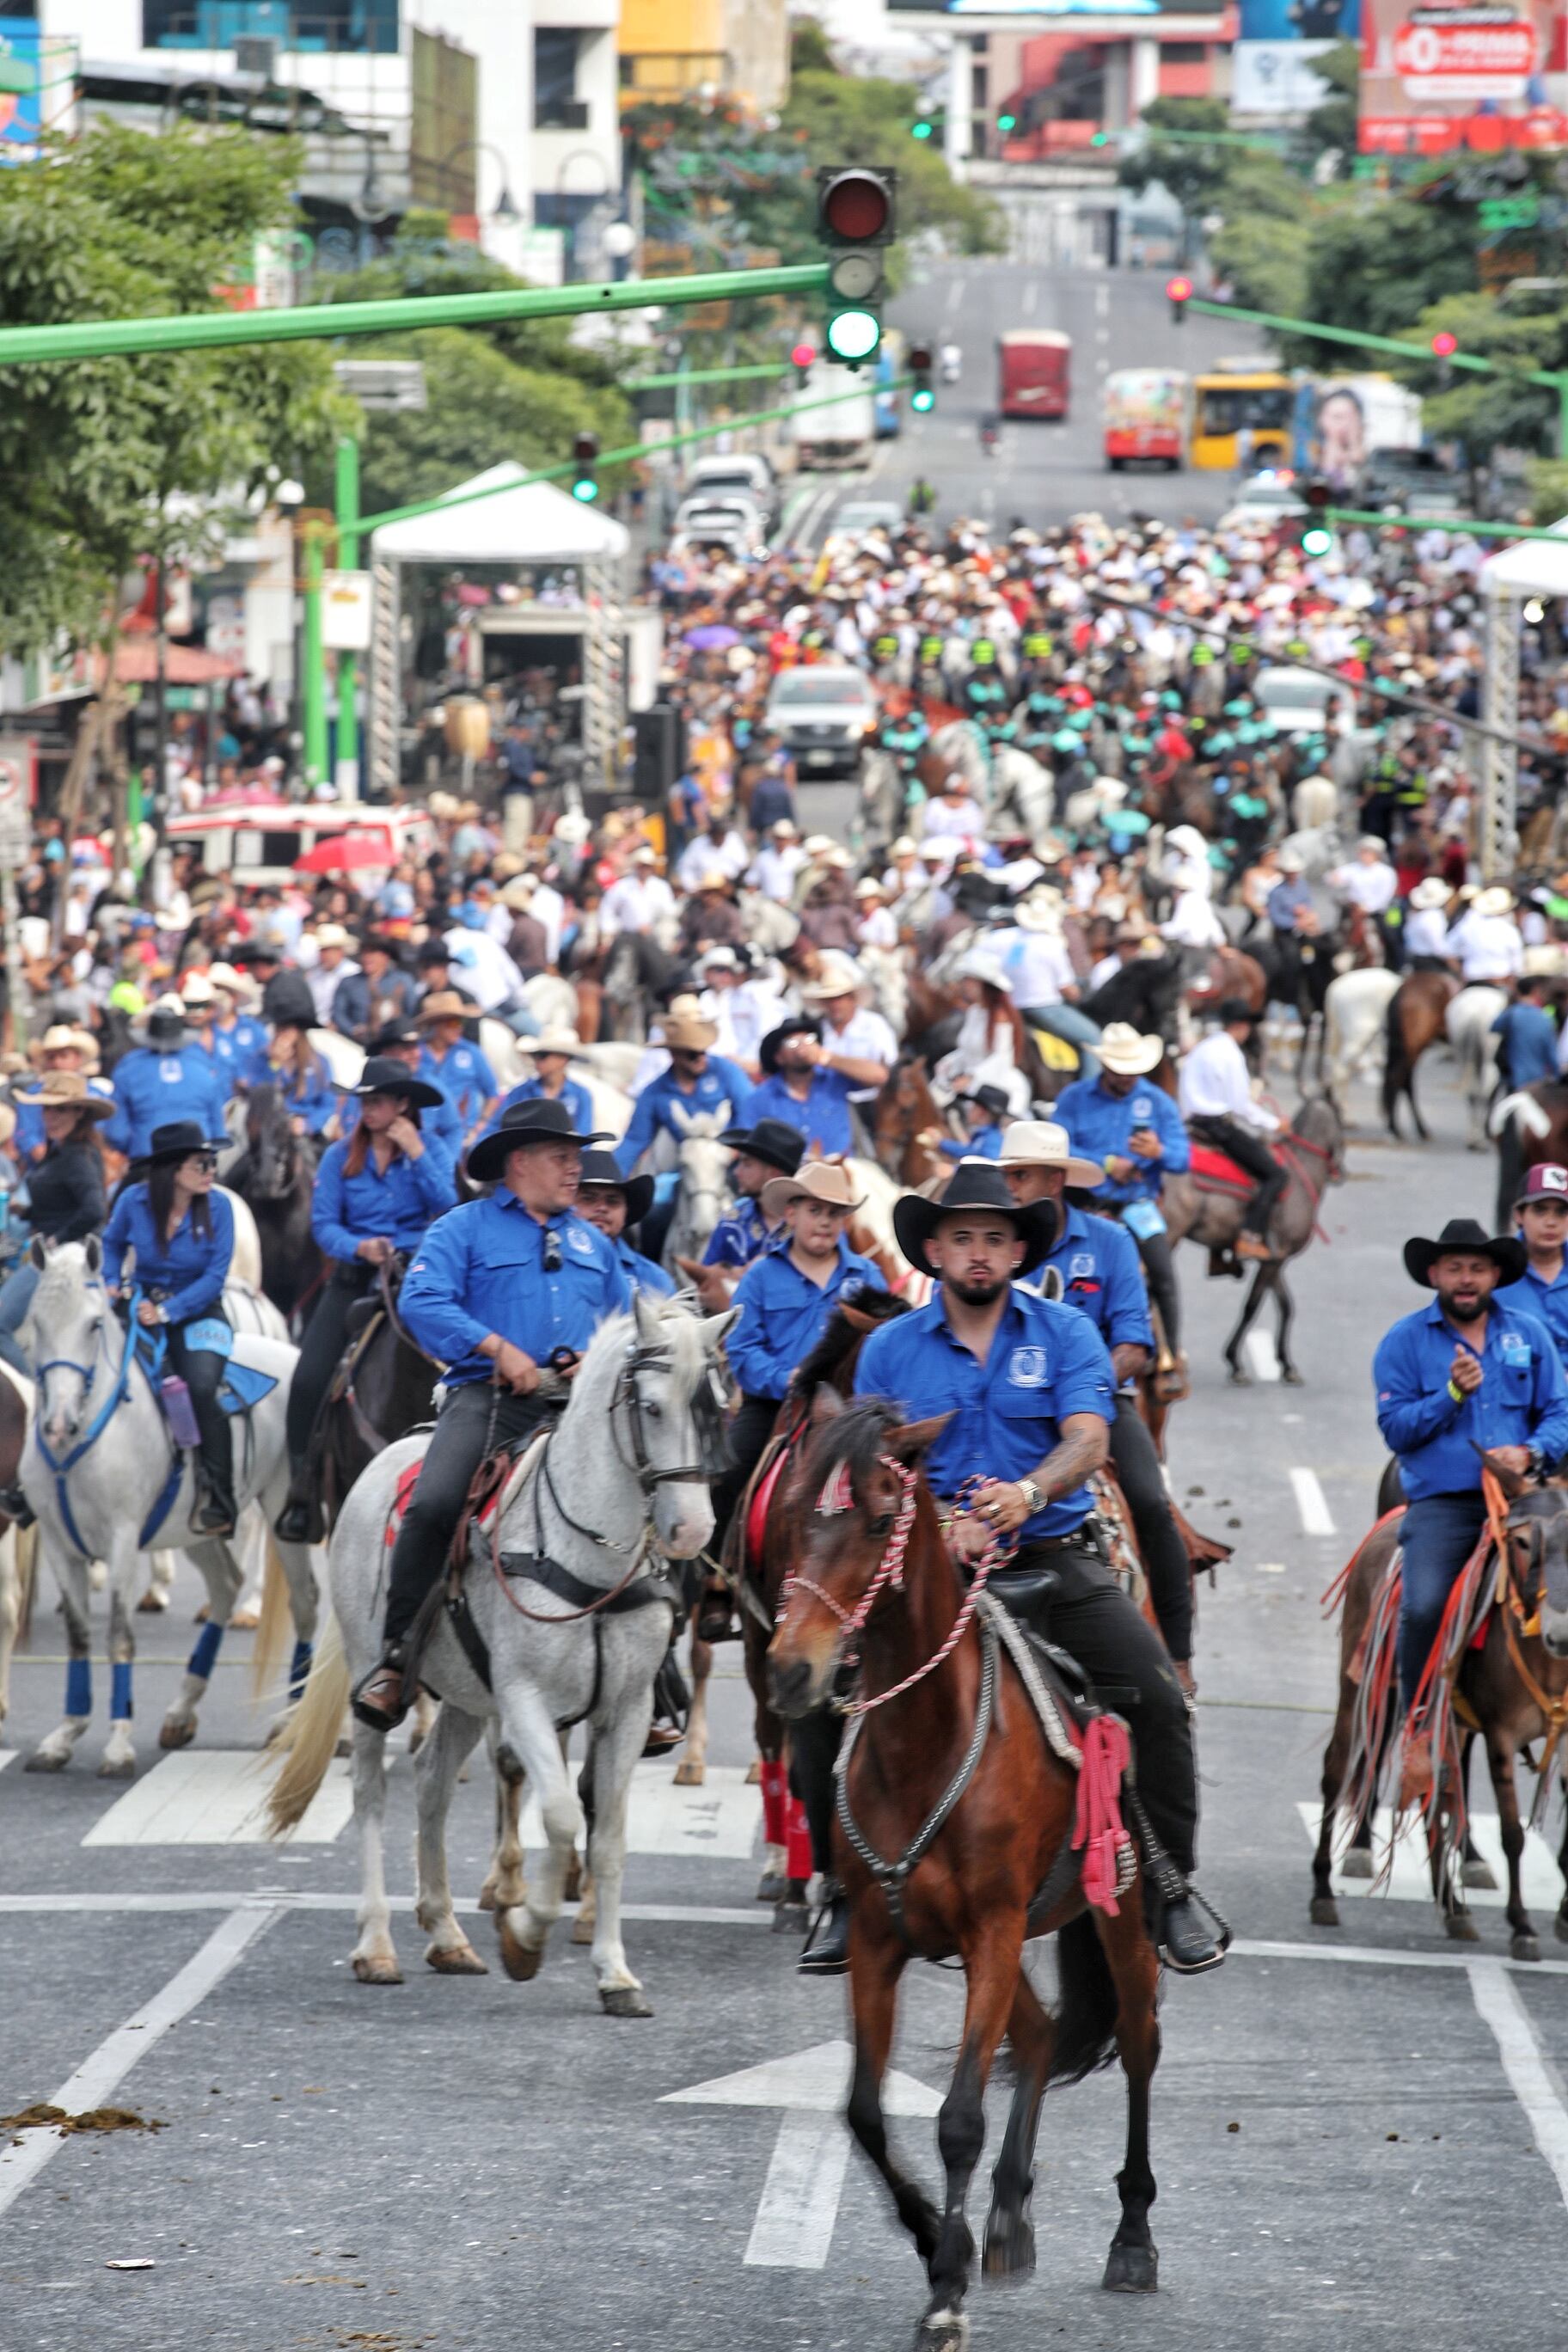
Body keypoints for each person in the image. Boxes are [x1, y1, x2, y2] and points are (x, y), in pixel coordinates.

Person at [852, 1161, 1223, 1973]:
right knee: (824, 1689)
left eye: (995, 1238)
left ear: (1020, 1251)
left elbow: (1088, 1439)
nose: (978, 1253)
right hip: (932, 1576)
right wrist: (940, 1526)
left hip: (1054, 1558)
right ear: (934, 1252)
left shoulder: (1066, 1333)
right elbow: (872, 1470)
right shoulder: (887, 1350)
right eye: (961, 1238)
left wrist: (1027, 1493)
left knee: (1160, 1700)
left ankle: (1171, 1887)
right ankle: (840, 1892)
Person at [350, 1097, 628, 1732]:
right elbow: (423, 1300)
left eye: (577, 1156)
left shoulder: (592, 1241)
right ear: (519, 1161)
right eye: (562, 1156)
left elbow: (624, 1320)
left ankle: (656, 1674)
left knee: (658, 1498)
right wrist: (496, 1348)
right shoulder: (464, 1227)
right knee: (433, 1503)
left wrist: (598, 1357)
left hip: (580, 1409)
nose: (576, 1169)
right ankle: (398, 1654)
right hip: (490, 1399)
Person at [1374, 1216, 1568, 1799]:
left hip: (1528, 1499)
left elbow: (1560, 1411)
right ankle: (1418, 1728)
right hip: (1447, 1502)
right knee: (1424, 1603)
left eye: (1477, 1269)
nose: (1466, 1279)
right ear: (1434, 1273)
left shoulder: (1528, 1334)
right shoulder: (1405, 1340)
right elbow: (1396, 1429)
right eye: (1455, 1268)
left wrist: (1530, 1451)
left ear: (1495, 1275)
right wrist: (1452, 1394)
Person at [1000, 1121, 1194, 1687]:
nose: (1011, 1187)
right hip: (1008, 1409)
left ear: (1055, 1181)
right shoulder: (996, 1243)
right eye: (1008, 1175)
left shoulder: (1110, 1242)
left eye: (1022, 1175)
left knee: (1151, 1503)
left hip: (1100, 1401)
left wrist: (1079, 1387)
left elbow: (1134, 1344)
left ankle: (1178, 1655)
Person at [274, 1057, 456, 1544]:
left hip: (418, 1279)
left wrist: (416, 1152)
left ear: (402, 1104)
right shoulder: (340, 1156)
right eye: (364, 1101)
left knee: (460, 1363)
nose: (367, 1109)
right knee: (308, 1378)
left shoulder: (432, 1148)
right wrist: (360, 1247)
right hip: (355, 1279)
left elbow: (449, 1210)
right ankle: (302, 1488)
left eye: (377, 1101)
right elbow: (323, 1224)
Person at [101, 1120, 238, 1537]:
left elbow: (215, 1278)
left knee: (201, 1387)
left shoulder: (220, 1207)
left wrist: (167, 1312)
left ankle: (220, 1497)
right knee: (96, 1366)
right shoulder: (133, 1201)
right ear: (172, 1170)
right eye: (202, 1163)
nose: (211, 1170)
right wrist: (111, 1279)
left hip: (199, 1312)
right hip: (141, 1304)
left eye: (213, 1162)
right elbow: (111, 1243)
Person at [1055, 1023, 1188, 1380]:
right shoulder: (1074, 1098)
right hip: (1084, 1206)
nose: (1127, 1078)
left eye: (1132, 1071)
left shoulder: (1157, 1102)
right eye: (1120, 1070)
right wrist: (1106, 1164)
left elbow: (1182, 1157)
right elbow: (1059, 1145)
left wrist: (1158, 1151)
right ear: (1104, 1065)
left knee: (1163, 1274)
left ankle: (1172, 1358)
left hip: (1136, 1205)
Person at [0, 1075, 111, 1375]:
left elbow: (94, 1210)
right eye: (47, 1109)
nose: (51, 1117)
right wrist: (24, 1211)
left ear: (79, 1112)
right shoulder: (63, 1150)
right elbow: (64, 1205)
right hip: (55, 1250)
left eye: (60, 1109)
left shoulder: (75, 1156)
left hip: (63, 1256)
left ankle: (31, 1390)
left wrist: (56, 1239)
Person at [1177, 999, 1283, 1264]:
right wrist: (1274, 1123)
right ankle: (1250, 1236)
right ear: (1241, 1026)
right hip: (1218, 1126)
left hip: (1192, 1123)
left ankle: (1218, 1252)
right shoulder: (1231, 1054)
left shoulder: (1202, 1048)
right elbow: (1241, 1106)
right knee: (1275, 1175)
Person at [616, 1001, 750, 1175]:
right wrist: (610, 1175)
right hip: (685, 1166)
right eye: (693, 1054)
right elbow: (635, 1140)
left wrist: (733, 1152)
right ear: (674, 1053)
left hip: (732, 1163)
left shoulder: (727, 1072)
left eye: (703, 1051)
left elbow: (749, 1114)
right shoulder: (655, 1092)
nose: (701, 1058)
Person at [105, 996, 231, 1165]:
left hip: (148, 1159)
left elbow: (117, 1132)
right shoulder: (202, 1062)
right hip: (197, 1158)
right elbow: (218, 1127)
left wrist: (134, 1147)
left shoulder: (129, 1066)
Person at [741, 1017, 857, 1159]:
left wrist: (828, 1059)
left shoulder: (834, 1079)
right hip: (789, 1170)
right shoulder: (760, 1098)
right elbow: (748, 1144)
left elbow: (877, 1077)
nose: (802, 1046)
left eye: (808, 1039)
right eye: (792, 1043)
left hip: (839, 1168)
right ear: (778, 1057)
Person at [702, 1117, 805, 1274]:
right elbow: (706, 1279)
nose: (737, 1172)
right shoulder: (732, 1221)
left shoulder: (810, 1224)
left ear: (773, 1174)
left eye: (747, 1164)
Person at [575, 1149, 676, 1298]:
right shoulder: (548, 1265)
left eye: (612, 1201)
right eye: (589, 1199)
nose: (602, 1208)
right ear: (567, 1206)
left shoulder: (654, 1279)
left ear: (625, 1213)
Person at [1497, 1164, 1568, 1363]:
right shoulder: (1495, 1271)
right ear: (1518, 1215)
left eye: (1561, 1212)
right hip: (1519, 1378)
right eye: (1540, 1211)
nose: (1551, 1222)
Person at [416, 991, 499, 1143]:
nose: (460, 1028)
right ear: (436, 1024)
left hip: (464, 1135)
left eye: (462, 1022)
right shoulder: (415, 1054)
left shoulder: (471, 1052)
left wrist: (481, 1124)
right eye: (453, 1023)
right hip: (424, 1135)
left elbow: (492, 1093)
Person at [486, 1027, 596, 1142]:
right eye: (536, 1055)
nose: (537, 1060)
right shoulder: (519, 1092)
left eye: (543, 1055)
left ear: (562, 1059)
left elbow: (583, 1134)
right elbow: (494, 1127)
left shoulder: (581, 1095)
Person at [931, 1081, 1010, 1161]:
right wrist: (942, 1143)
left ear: (981, 1112)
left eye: (974, 1107)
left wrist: (942, 1143)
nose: (969, 1109)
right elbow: (969, 1151)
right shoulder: (985, 1136)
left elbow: (988, 1165)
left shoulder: (992, 1139)